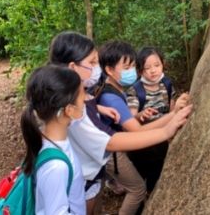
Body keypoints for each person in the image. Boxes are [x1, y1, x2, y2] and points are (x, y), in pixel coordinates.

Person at [49, 31, 192, 215]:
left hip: (91, 174)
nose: (96, 67)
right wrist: (168, 126)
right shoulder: (81, 109)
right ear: (72, 67)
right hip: (92, 172)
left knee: (94, 201)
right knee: (136, 189)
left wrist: (100, 109)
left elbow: (89, 105)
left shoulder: (80, 95)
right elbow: (115, 139)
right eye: (92, 63)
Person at [21, 65, 86, 214]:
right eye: (83, 97)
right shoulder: (55, 166)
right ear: (69, 110)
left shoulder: (47, 141)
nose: (86, 101)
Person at [126, 46, 190, 193]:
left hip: (162, 140)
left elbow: (172, 107)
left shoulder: (166, 84)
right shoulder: (136, 91)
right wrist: (140, 115)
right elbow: (130, 118)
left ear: (163, 64)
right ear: (140, 70)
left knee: (157, 175)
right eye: (147, 67)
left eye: (157, 65)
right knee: (140, 179)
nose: (153, 70)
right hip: (142, 144)